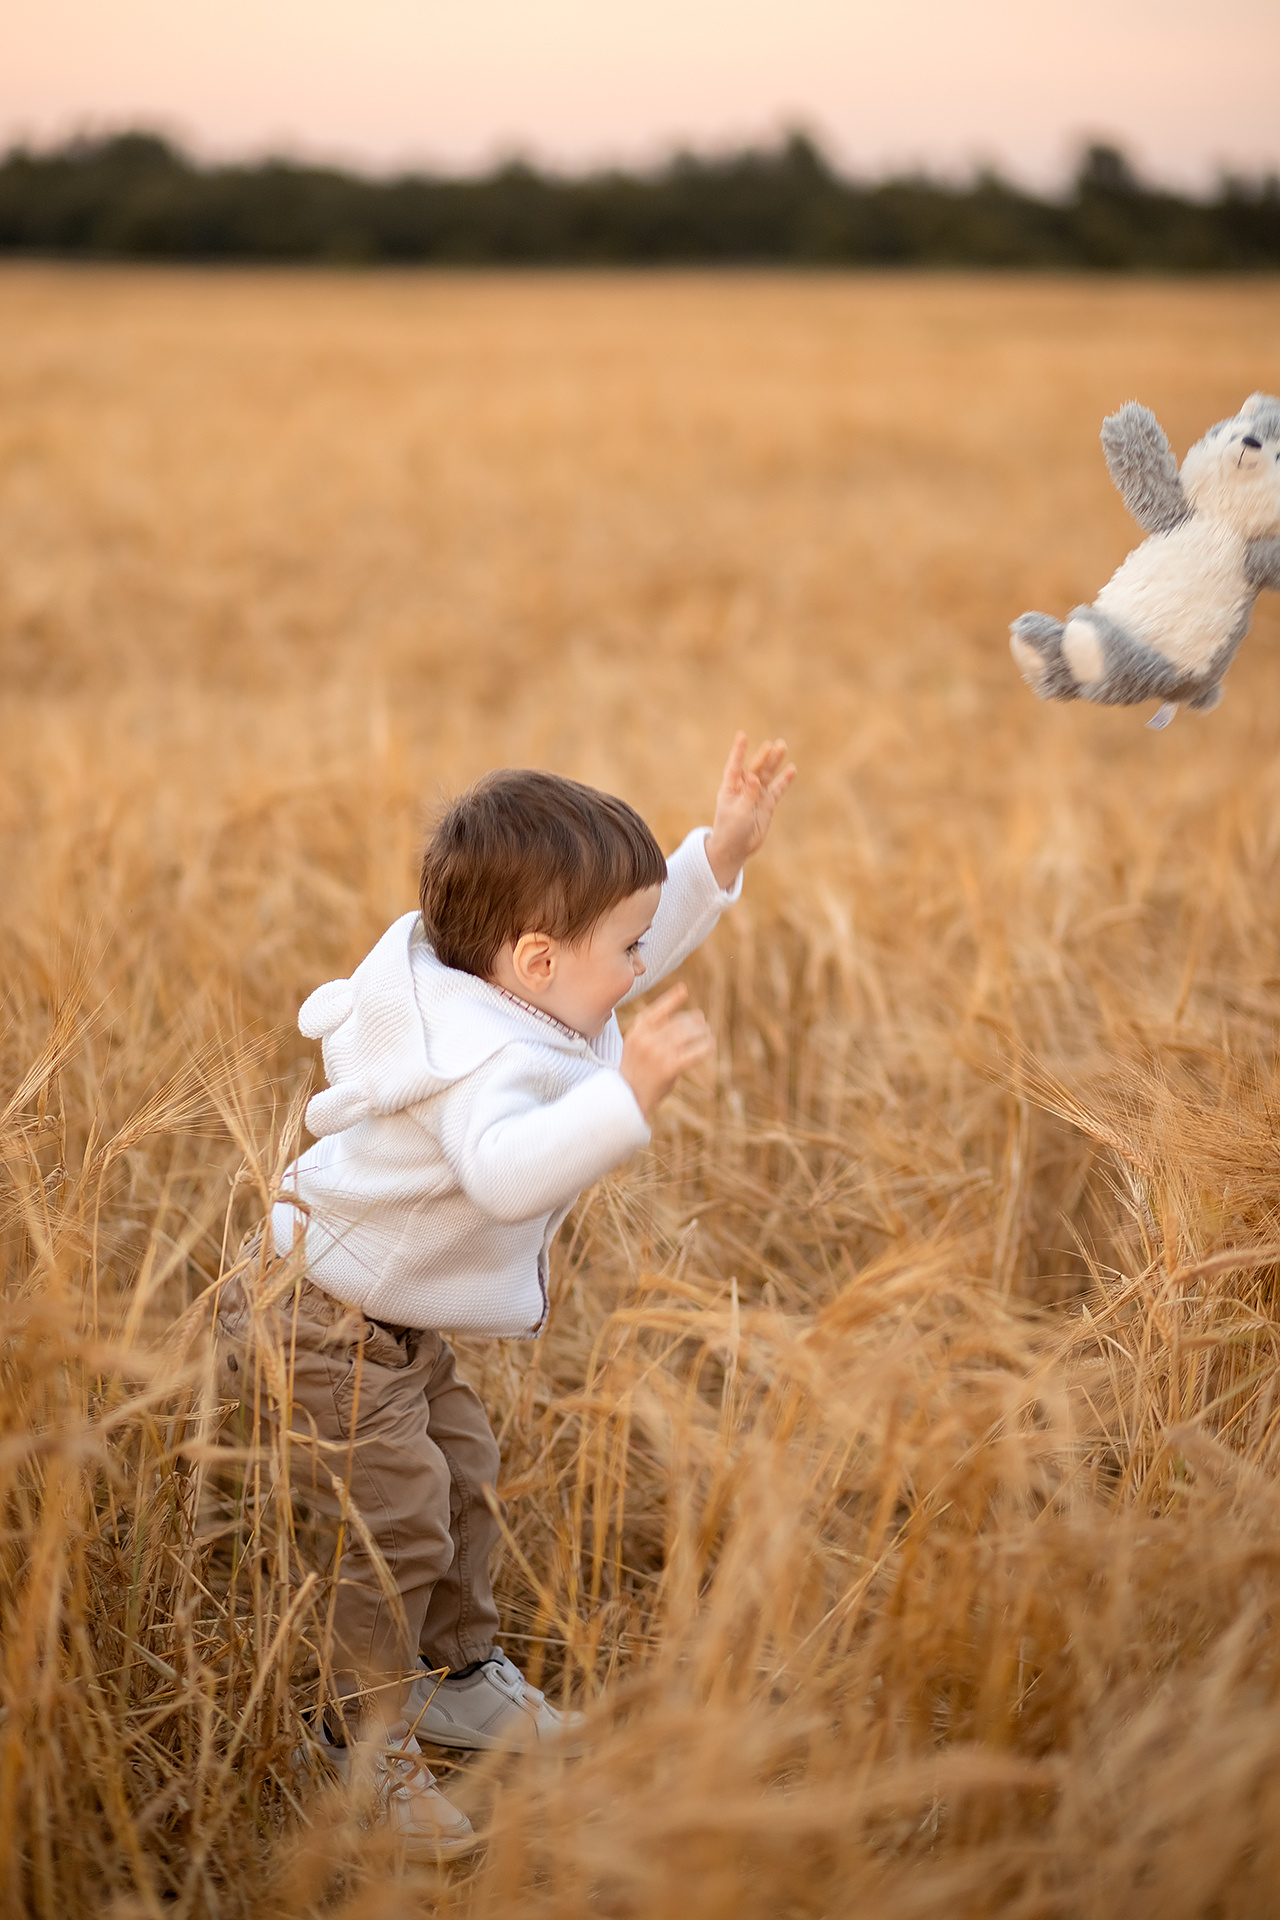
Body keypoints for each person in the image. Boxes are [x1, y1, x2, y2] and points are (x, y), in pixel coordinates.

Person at [215, 734, 794, 1856]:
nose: (640, 968)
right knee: (386, 1527)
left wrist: (717, 850)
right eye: (623, 950)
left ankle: (454, 1677)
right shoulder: (483, 1064)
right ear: (535, 961)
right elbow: (502, 1171)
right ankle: (354, 1741)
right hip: (320, 1326)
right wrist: (622, 1099)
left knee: (457, 1483)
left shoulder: (512, 984)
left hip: (389, 1324)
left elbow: (629, 927)